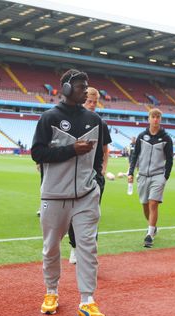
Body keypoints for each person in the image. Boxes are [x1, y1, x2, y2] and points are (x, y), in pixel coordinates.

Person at [31, 69, 106, 316]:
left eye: (87, 86)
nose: (86, 90)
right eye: (80, 86)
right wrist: (71, 150)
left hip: (86, 195)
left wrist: (97, 179)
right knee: (51, 248)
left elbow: (98, 158)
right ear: (65, 89)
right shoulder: (48, 118)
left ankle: (87, 301)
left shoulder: (95, 120)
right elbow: (38, 154)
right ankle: (51, 291)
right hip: (54, 196)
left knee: (87, 247)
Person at [67, 86, 112, 264]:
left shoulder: (101, 123)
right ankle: (74, 247)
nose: (92, 105)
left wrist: (103, 169)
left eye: (95, 101)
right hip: (74, 175)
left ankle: (90, 251)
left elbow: (105, 149)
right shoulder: (72, 121)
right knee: (71, 214)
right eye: (89, 101)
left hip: (94, 176)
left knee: (93, 215)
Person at [127, 108, 173, 248]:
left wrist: (165, 177)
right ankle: (153, 227)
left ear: (160, 119)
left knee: (153, 204)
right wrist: (130, 173)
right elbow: (135, 156)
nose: (155, 119)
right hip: (142, 175)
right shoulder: (141, 136)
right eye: (153, 116)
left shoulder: (166, 138)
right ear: (149, 119)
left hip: (158, 176)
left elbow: (170, 160)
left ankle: (149, 235)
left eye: (158, 117)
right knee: (145, 205)